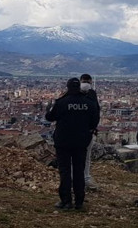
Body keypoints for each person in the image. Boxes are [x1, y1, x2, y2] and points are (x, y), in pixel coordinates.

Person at [44, 77, 100, 210]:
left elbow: (50, 118)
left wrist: (48, 109)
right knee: (79, 171)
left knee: (65, 171)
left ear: (68, 88)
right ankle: (79, 201)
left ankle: (66, 201)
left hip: (63, 142)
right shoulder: (89, 103)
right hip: (81, 142)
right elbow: (95, 121)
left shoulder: (62, 102)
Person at [80, 73, 100, 190]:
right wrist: (93, 128)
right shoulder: (92, 95)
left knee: (73, 156)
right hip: (87, 131)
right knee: (86, 157)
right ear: (90, 82)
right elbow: (96, 113)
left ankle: (72, 178)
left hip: (73, 131)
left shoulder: (73, 93)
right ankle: (86, 178)